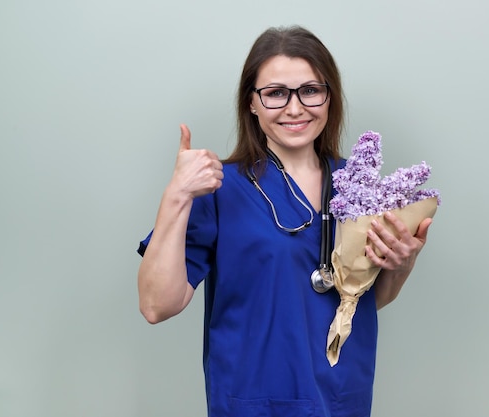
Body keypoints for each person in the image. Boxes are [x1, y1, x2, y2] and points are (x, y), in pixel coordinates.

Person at [137, 25, 432, 417]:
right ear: (252, 104)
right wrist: (176, 195)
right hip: (254, 402)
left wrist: (400, 264)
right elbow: (157, 305)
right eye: (276, 93)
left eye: (310, 90)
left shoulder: (358, 185)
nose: (295, 108)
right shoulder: (218, 191)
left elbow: (362, 300)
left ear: (329, 98)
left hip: (341, 399)